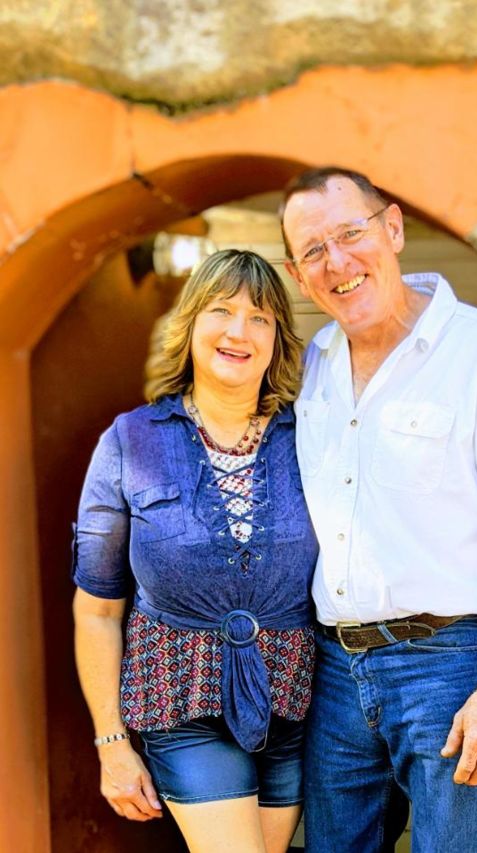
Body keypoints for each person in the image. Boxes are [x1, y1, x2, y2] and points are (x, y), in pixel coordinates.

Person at [280, 166, 477, 853]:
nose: (337, 262)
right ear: (297, 275)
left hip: (449, 668)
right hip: (334, 670)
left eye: (350, 234)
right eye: (313, 250)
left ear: (394, 228)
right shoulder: (313, 365)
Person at [72, 249, 318, 853]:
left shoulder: (315, 434)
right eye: (221, 311)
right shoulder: (130, 441)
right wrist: (112, 744)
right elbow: (97, 608)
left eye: (260, 318)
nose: (239, 331)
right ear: (189, 325)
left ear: (278, 340)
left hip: (295, 704)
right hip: (179, 700)